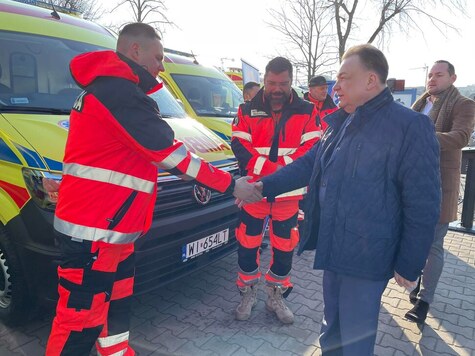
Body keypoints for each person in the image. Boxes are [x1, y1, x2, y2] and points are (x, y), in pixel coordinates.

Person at [45, 23, 260, 356]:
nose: (162, 66)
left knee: (115, 314)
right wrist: (233, 185)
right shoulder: (120, 93)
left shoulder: (109, 90)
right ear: (135, 51)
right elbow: (174, 156)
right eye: (158, 57)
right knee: (79, 324)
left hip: (112, 231)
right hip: (95, 234)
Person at [249, 45, 441, 354]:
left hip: (368, 256)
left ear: (370, 80)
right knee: (331, 332)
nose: (334, 87)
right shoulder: (340, 123)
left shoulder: (409, 126)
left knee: (354, 340)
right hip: (334, 248)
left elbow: (423, 203)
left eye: (343, 78)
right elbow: (306, 165)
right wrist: (261, 186)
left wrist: (409, 263)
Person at [231, 57, 321, 324]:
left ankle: (275, 295)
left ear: (291, 82)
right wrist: (278, 172)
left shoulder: (308, 111)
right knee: (247, 245)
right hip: (253, 193)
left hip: (288, 196)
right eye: (271, 83)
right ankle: (247, 293)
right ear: (264, 81)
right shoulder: (246, 109)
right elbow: (239, 147)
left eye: (283, 83)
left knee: (284, 248)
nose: (277, 89)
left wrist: (275, 176)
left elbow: (312, 150)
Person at [407, 60, 475, 324]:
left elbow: (459, 138)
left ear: (453, 78)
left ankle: (424, 301)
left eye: (439, 75)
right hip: (411, 182)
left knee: (433, 244)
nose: (432, 79)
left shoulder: (463, 104)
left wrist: (420, 136)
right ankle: (413, 281)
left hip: (439, 185)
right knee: (414, 239)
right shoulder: (422, 102)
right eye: (430, 75)